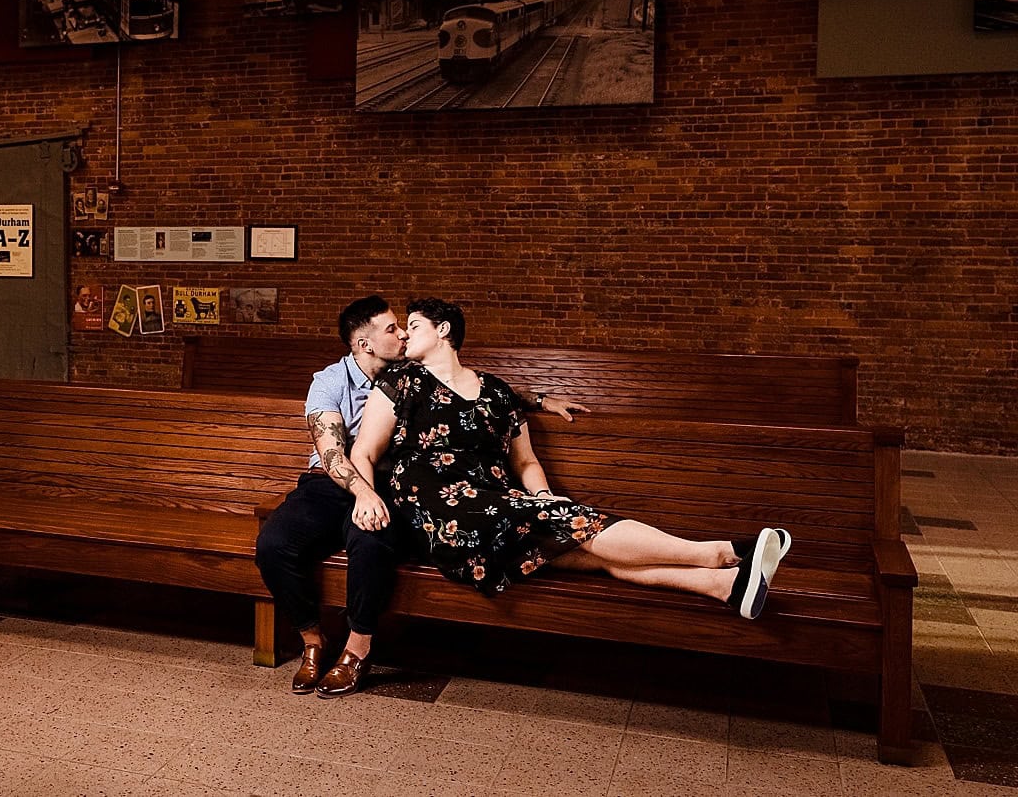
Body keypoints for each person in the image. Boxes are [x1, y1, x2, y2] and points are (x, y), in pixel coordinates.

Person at [350, 298, 790, 622]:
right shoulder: (400, 381)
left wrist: (543, 499)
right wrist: (366, 497)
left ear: (444, 330)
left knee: (589, 547)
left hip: (500, 506)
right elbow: (364, 450)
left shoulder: (498, 392)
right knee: (575, 526)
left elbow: (525, 462)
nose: (404, 335)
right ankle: (719, 552)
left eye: (413, 325)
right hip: (439, 511)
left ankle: (724, 585)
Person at [255, 296, 585, 698]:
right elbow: (332, 453)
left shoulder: (412, 372)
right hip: (333, 483)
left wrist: (539, 399)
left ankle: (357, 650)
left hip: (394, 484)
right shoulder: (330, 381)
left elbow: (469, 386)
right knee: (273, 544)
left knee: (371, 543)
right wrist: (362, 494)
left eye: (404, 326)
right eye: (392, 329)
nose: (402, 334)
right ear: (365, 344)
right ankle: (312, 640)